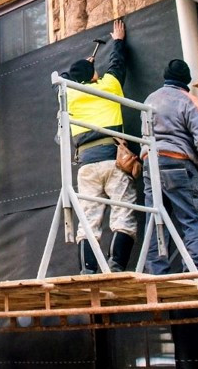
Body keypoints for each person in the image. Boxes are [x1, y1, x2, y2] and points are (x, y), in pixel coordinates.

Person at [64, 19, 137, 274]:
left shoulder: (68, 95)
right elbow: (117, 65)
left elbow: (62, 79)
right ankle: (116, 265)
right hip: (113, 159)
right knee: (124, 212)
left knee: (89, 219)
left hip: (86, 164)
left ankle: (87, 269)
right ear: (95, 76)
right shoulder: (109, 86)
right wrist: (118, 41)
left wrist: (83, 68)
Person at [142, 59, 198, 273]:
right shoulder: (189, 100)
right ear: (187, 81)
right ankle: (196, 272)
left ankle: (156, 272)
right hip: (177, 161)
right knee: (197, 220)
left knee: (155, 220)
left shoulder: (150, 99)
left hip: (150, 162)